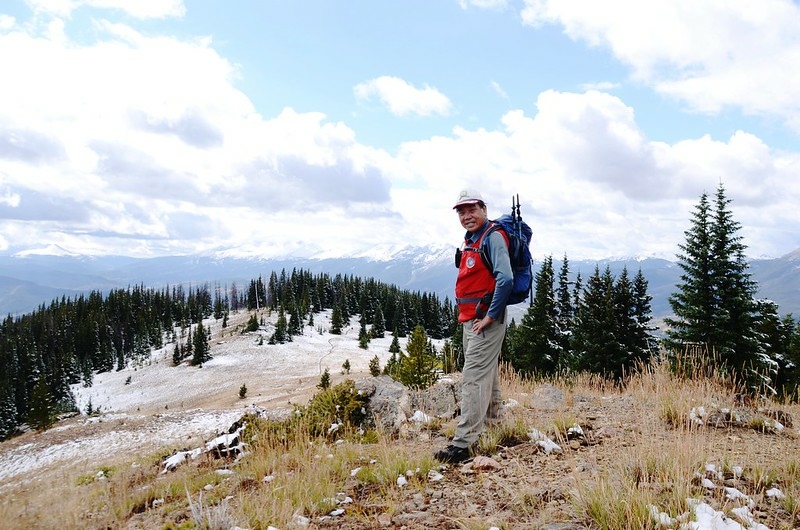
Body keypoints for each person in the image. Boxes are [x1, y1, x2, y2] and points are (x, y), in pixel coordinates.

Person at [435, 189, 513, 464]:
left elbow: (505, 279)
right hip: (471, 319)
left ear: (484, 209)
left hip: (485, 321)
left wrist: (491, 316)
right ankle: (495, 425)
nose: (466, 216)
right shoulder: (473, 238)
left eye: (472, 210)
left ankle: (463, 444)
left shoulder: (492, 237)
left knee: (472, 379)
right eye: (461, 211)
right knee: (486, 374)